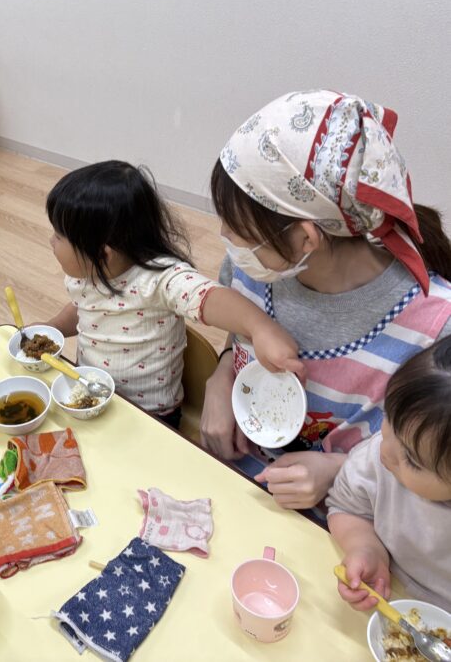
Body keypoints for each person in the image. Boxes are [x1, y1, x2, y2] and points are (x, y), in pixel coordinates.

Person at [200, 90, 451, 510]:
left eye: (236, 226)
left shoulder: (432, 328)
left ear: (306, 238)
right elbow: (239, 338)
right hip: (237, 487)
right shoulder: (253, 268)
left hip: (344, 522)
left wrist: (339, 470)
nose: (224, 235)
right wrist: (222, 375)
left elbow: (434, 471)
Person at [42, 160, 303, 428]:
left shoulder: (160, 280)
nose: (51, 241)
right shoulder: (84, 275)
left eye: (59, 236)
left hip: (150, 414)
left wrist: (259, 327)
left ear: (103, 254)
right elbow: (83, 309)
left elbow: (209, 297)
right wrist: (52, 329)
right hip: (90, 393)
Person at [327, 337, 451, 612]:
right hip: (384, 601)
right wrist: (366, 548)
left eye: (413, 460)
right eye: (389, 418)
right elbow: (347, 507)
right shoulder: (378, 460)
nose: (385, 449)